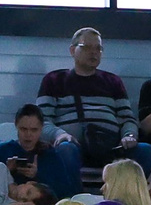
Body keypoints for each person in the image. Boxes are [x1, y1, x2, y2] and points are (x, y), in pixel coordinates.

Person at [37, 28, 134, 168]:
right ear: (72, 50)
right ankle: (74, 191)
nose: (94, 52)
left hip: (111, 146)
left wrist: (129, 135)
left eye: (98, 48)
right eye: (87, 47)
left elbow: (127, 118)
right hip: (71, 145)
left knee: (146, 151)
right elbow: (42, 122)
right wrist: (60, 135)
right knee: (65, 149)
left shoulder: (113, 81)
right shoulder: (54, 80)